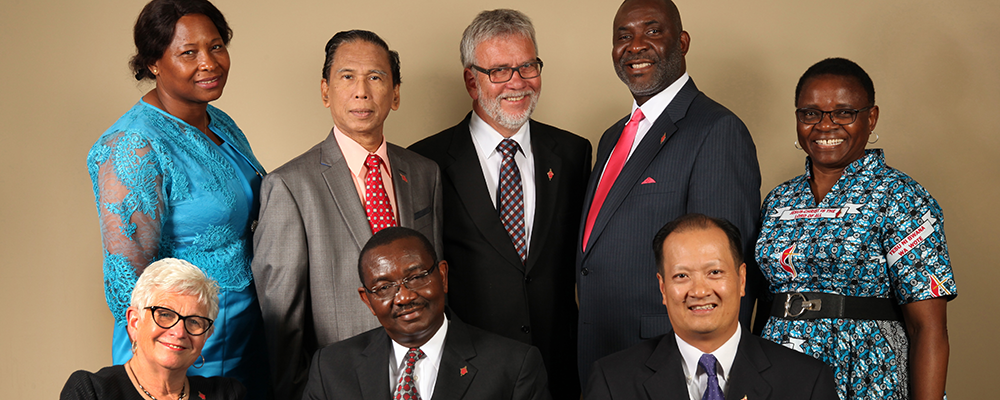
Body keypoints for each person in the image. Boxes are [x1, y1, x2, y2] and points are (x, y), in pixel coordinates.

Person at [86, 0, 269, 396]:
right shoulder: (133, 145)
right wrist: (171, 359)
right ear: (153, 62)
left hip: (244, 332)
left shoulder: (216, 119)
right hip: (186, 345)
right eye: (189, 52)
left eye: (216, 46)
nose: (210, 62)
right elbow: (126, 284)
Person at [408, 9, 591, 397]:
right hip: (470, 372)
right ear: (471, 81)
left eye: (528, 66)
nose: (518, 83)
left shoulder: (574, 153)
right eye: (500, 71)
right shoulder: (427, 162)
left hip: (559, 368)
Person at [576, 0, 762, 383]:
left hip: (669, 362)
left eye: (652, 31)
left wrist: (714, 376)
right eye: (623, 36)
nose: (636, 45)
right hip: (602, 352)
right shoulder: (613, 136)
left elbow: (724, 276)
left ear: (683, 41)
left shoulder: (717, 130)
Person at [252, 30, 443, 400]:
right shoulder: (289, 186)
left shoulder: (424, 173)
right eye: (347, 77)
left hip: (427, 376)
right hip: (340, 384)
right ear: (325, 91)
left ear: (396, 93)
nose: (362, 91)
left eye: (375, 77)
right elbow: (281, 325)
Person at [755, 57, 956, 400]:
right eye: (810, 113)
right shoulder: (778, 200)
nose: (825, 125)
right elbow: (762, 303)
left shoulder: (902, 198)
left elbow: (928, 329)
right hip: (779, 366)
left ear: (871, 117)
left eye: (844, 112)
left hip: (865, 374)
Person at [584, 214, 837, 400]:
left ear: (742, 279)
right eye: (681, 276)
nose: (699, 291)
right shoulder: (612, 381)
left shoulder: (806, 381)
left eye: (714, 272)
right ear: (662, 288)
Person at [300, 227, 551, 400]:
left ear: (442, 276)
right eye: (384, 287)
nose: (404, 297)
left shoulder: (514, 366)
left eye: (417, 277)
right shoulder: (331, 367)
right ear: (367, 300)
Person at [62, 258, 247, 400]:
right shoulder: (91, 392)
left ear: (206, 336)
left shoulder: (227, 394)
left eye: (194, 322)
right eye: (165, 314)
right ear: (135, 322)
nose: (179, 332)